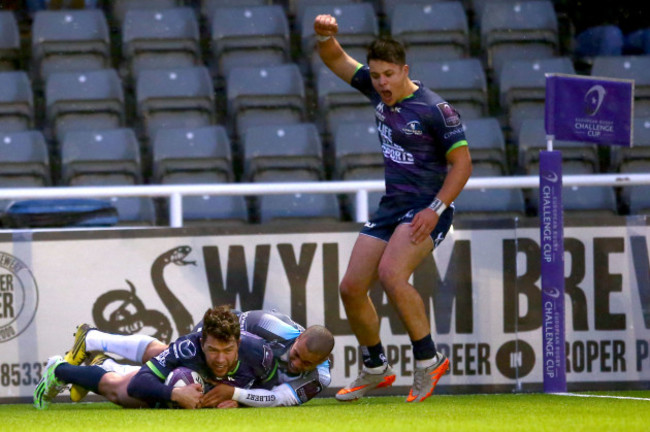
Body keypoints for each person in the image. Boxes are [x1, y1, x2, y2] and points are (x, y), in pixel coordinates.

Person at [313, 15, 473, 403]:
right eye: (377, 75)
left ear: (404, 70)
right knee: (351, 288)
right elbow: (335, 59)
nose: (382, 83)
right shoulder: (374, 87)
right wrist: (324, 35)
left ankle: (428, 359)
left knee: (391, 274)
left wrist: (436, 208)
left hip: (427, 208)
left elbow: (464, 164)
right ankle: (375, 367)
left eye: (389, 75)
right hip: (392, 206)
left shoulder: (437, 110)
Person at [43, 309, 333, 408]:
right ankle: (94, 342)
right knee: (171, 355)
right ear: (297, 337)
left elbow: (277, 398)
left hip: (248, 376)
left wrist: (237, 395)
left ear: (321, 361)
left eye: (305, 364)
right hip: (225, 339)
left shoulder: (319, 379)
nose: (296, 364)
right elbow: (224, 341)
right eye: (296, 355)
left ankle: (104, 364)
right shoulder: (269, 325)